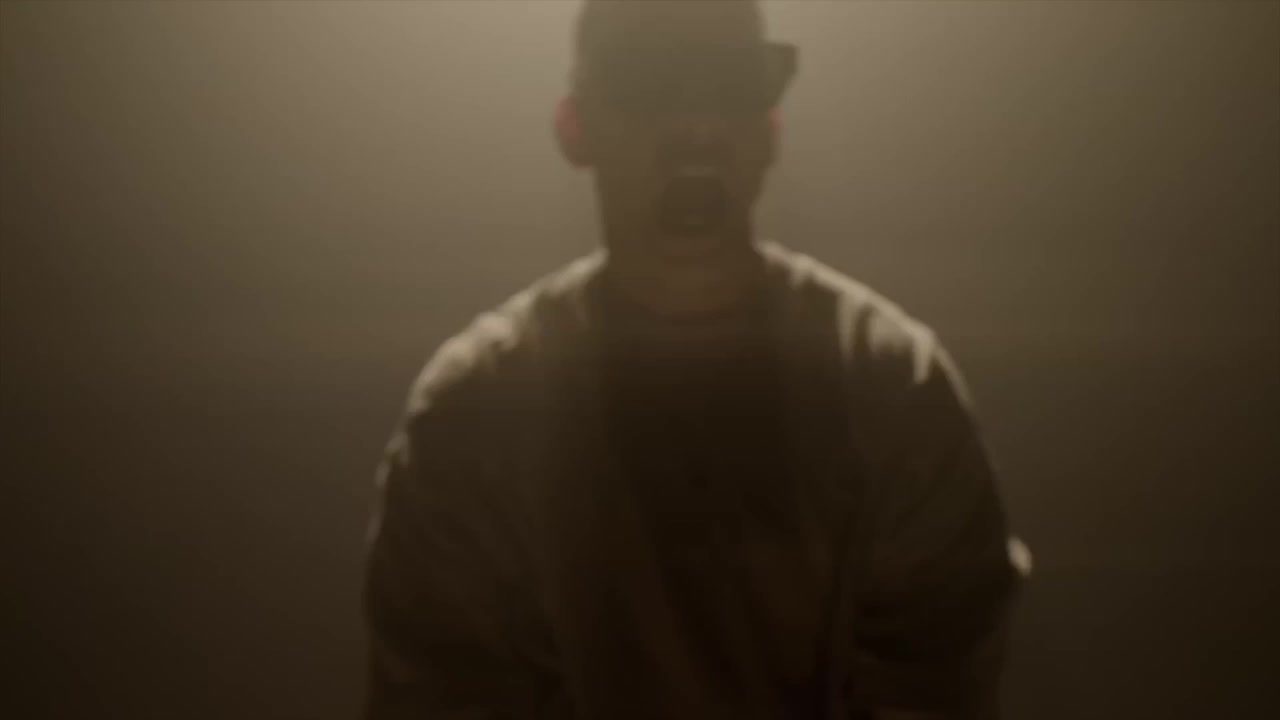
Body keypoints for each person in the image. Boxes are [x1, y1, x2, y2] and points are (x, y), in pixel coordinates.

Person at [363, 1, 1028, 718]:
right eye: (648, 82)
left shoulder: (893, 388)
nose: (695, 129)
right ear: (575, 127)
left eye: (731, 82)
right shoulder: (476, 413)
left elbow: (933, 686)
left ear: (770, 127)